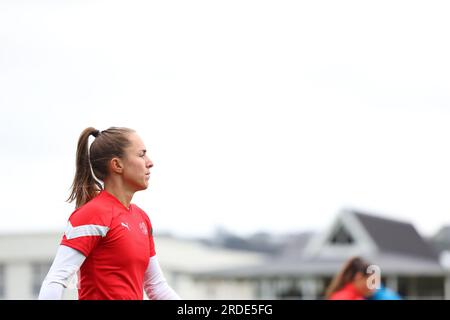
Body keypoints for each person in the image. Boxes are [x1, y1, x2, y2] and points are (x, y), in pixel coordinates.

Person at [39, 127, 180, 300]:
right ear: (117, 165)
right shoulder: (92, 214)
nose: (149, 162)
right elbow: (56, 279)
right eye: (141, 154)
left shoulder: (141, 218)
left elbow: (157, 287)